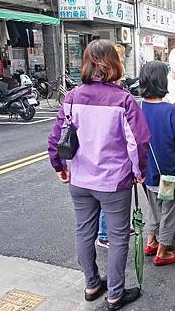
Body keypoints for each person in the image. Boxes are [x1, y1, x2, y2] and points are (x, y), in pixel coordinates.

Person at [48, 39, 148, 310]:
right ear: (114, 64)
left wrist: (60, 167)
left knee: (84, 232)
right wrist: (140, 173)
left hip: (79, 179)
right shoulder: (123, 100)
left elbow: (57, 138)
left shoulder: (71, 98)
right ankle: (115, 294)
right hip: (114, 182)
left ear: (86, 64)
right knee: (117, 237)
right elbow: (137, 142)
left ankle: (92, 284)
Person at [139, 61, 175, 266]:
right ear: (162, 82)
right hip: (170, 172)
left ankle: (151, 241)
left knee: (155, 208)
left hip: (150, 170)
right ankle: (163, 251)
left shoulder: (140, 107)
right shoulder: (169, 111)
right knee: (170, 211)